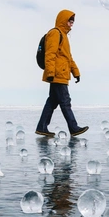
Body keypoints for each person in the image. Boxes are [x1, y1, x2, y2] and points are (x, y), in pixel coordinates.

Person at [35, 9, 89, 138]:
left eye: (72, 22)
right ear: (63, 20)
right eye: (70, 21)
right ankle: (73, 128)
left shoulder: (64, 36)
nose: (71, 24)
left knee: (52, 102)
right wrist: (50, 72)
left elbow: (68, 58)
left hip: (62, 74)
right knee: (65, 101)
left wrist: (76, 72)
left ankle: (41, 127)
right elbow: (50, 54)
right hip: (57, 75)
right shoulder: (55, 33)